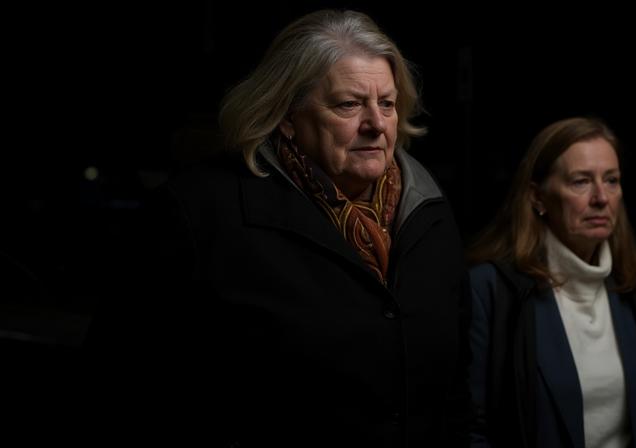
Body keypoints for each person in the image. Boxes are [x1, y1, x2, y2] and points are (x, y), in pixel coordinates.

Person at [86, 9, 470, 447]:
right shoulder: (200, 213)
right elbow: (120, 385)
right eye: (349, 104)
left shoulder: (428, 210)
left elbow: (455, 389)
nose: (376, 124)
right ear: (288, 115)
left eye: (386, 103)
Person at [466, 117, 636, 448]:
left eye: (612, 180)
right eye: (580, 182)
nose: (601, 197)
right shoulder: (490, 291)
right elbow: (472, 429)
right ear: (538, 198)